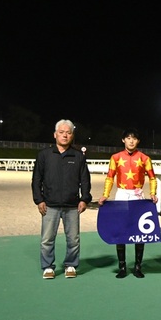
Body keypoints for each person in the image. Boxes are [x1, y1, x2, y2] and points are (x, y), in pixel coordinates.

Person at [31, 119, 92, 279]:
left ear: (72, 136)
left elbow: (85, 180)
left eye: (68, 133)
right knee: (47, 239)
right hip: (49, 205)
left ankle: (71, 265)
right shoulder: (44, 155)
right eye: (61, 132)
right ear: (55, 134)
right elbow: (36, 180)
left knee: (73, 239)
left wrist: (84, 199)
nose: (65, 135)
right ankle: (47, 267)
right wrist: (39, 200)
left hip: (72, 206)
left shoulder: (78, 156)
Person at [98, 128, 158, 279]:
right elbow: (110, 177)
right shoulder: (115, 157)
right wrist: (105, 195)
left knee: (140, 232)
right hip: (122, 194)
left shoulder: (145, 158)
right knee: (120, 230)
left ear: (138, 141)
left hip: (138, 195)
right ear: (123, 140)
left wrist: (152, 193)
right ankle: (122, 267)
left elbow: (152, 177)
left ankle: (138, 266)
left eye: (134, 138)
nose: (131, 141)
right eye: (128, 138)